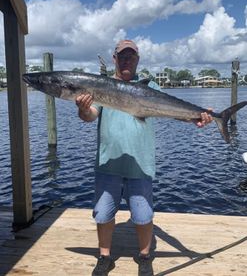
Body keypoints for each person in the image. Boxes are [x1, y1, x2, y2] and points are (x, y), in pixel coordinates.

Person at [75, 39, 213, 276]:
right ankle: (104, 257)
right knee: (104, 214)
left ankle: (145, 256)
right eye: (122, 56)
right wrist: (83, 108)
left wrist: (196, 117)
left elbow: (170, 110)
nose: (127, 60)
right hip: (109, 163)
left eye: (131, 56)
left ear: (137, 60)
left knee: (143, 215)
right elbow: (90, 116)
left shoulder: (151, 89)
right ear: (115, 59)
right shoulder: (101, 87)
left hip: (141, 164)